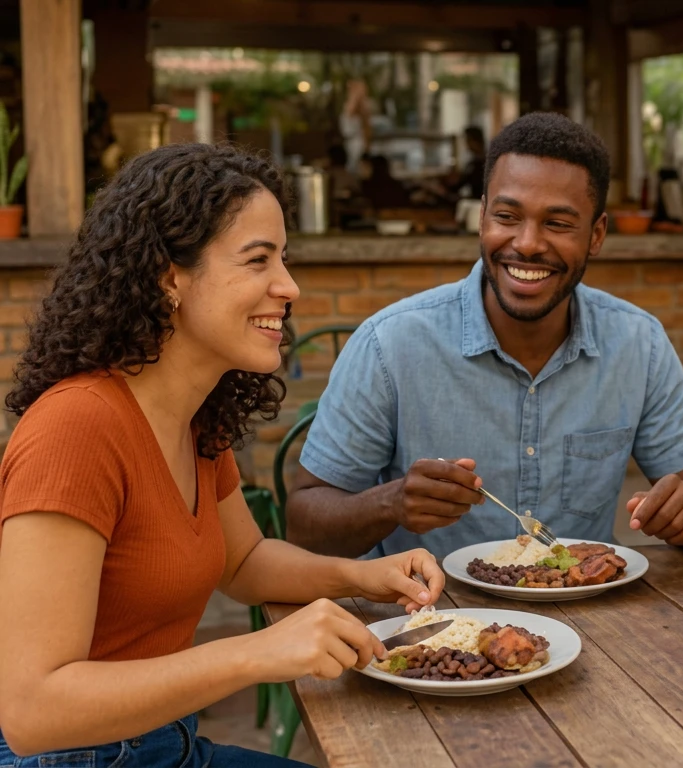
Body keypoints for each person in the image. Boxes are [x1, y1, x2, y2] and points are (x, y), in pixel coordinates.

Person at [0, 143, 444, 767]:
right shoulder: (75, 429)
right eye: (257, 260)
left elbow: (245, 562)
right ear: (169, 277)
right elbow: (31, 712)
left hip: (165, 746)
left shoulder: (193, 417)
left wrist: (364, 575)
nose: (288, 286)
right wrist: (255, 653)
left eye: (283, 259)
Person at [286, 112, 683, 560]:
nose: (527, 243)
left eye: (557, 223)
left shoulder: (638, 344)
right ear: (482, 218)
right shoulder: (390, 345)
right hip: (430, 604)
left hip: (589, 604)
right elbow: (304, 527)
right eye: (506, 216)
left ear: (596, 235)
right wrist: (390, 503)